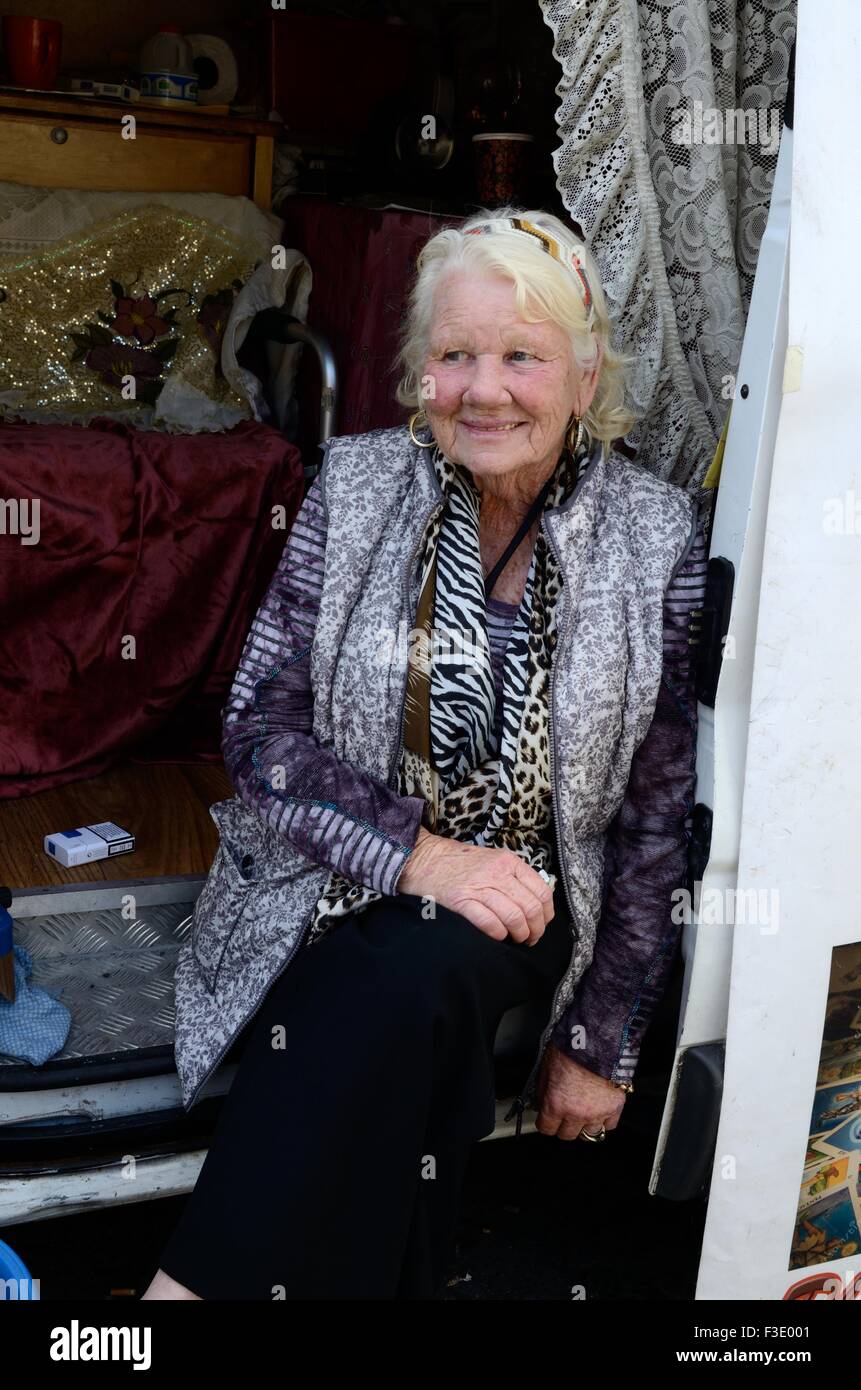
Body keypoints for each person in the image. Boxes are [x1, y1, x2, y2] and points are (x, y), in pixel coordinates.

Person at [142, 207, 707, 1301]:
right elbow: (260, 729)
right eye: (454, 355)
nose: (482, 389)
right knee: (401, 986)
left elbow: (653, 811)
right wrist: (423, 858)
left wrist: (602, 1039)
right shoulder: (355, 486)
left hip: (533, 904)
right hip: (326, 881)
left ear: (585, 377)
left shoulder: (653, 533)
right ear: (419, 371)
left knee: (409, 968)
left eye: (521, 357)